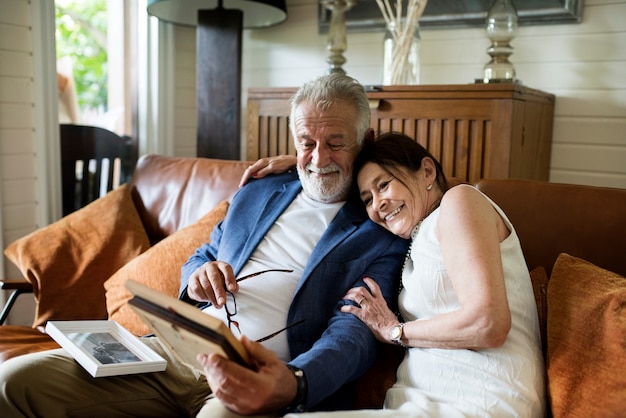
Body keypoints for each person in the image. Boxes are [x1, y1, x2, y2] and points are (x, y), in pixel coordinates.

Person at [0, 74, 408, 418]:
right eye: (306, 142)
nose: (318, 158)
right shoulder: (258, 189)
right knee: (13, 381)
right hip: (176, 353)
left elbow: (354, 331)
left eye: (336, 143)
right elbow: (205, 254)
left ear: (365, 140)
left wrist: (295, 382)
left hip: (259, 374)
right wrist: (197, 276)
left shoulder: (381, 227)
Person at [252, 133, 547, 417]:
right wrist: (300, 163)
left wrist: (395, 332)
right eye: (367, 199)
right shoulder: (410, 244)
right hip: (417, 404)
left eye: (383, 185)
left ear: (427, 171)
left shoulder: (460, 202)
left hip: (483, 401)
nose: (377, 204)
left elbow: (489, 324)